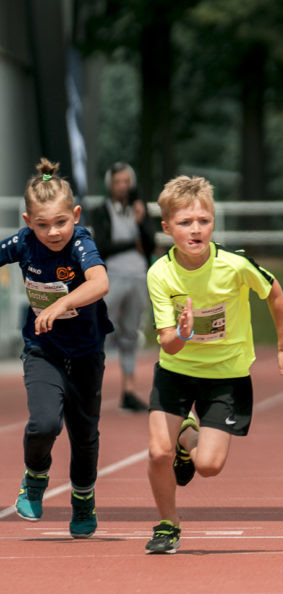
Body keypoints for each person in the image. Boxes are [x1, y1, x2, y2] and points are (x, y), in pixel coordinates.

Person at [144, 175, 283, 554]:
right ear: (167, 228)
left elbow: (274, 291)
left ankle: (187, 436)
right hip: (176, 372)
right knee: (157, 453)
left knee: (209, 466)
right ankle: (167, 523)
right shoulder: (160, 274)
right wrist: (183, 331)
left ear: (213, 221)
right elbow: (168, 344)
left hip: (226, 377)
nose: (195, 230)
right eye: (185, 223)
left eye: (203, 221)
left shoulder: (234, 265)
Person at [1, 158, 112, 539]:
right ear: (28, 220)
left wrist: (62, 304)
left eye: (61, 222)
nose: (53, 233)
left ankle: (83, 498)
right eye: (43, 224)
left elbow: (99, 283)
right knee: (45, 422)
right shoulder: (24, 242)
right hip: (42, 350)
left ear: (75, 215)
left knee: (84, 434)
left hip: (85, 353)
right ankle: (35, 477)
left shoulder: (81, 242)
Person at [89, 162, 156, 411]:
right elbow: (103, 246)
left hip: (138, 276)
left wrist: (141, 221)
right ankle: (89, 387)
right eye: (118, 182)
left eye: (127, 181)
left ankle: (128, 392)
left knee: (130, 335)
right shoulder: (101, 211)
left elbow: (149, 244)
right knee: (99, 330)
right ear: (110, 184)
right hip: (112, 277)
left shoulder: (140, 210)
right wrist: (131, 243)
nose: (123, 186)